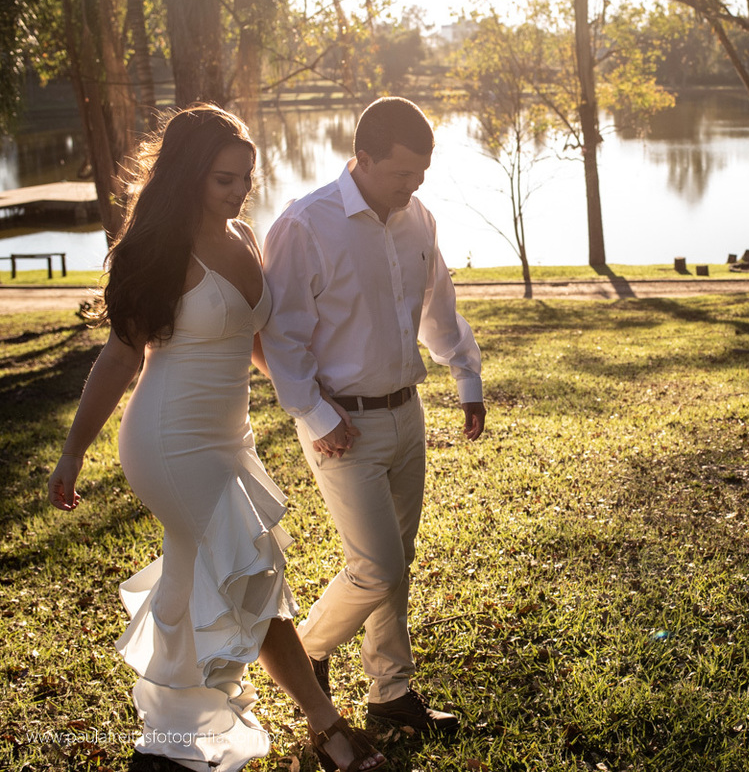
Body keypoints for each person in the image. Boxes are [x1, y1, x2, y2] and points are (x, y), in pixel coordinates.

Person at [47, 104, 386, 772]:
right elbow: (120, 357)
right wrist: (72, 449)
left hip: (231, 437)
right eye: (223, 178)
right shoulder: (160, 249)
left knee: (202, 579)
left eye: (246, 179)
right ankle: (329, 729)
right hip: (168, 438)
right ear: (190, 174)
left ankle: (171, 739)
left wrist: (310, 404)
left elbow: (253, 341)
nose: (237, 191)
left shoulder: (246, 237)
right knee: (250, 571)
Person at [259, 96, 485, 732]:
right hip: (340, 426)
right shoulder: (306, 225)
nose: (411, 187)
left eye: (421, 175)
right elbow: (282, 339)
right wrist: (317, 416)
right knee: (377, 567)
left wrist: (466, 376)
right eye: (400, 174)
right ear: (360, 159)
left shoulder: (420, 219)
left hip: (406, 414)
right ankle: (306, 649)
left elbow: (439, 305)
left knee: (396, 563)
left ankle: (390, 694)